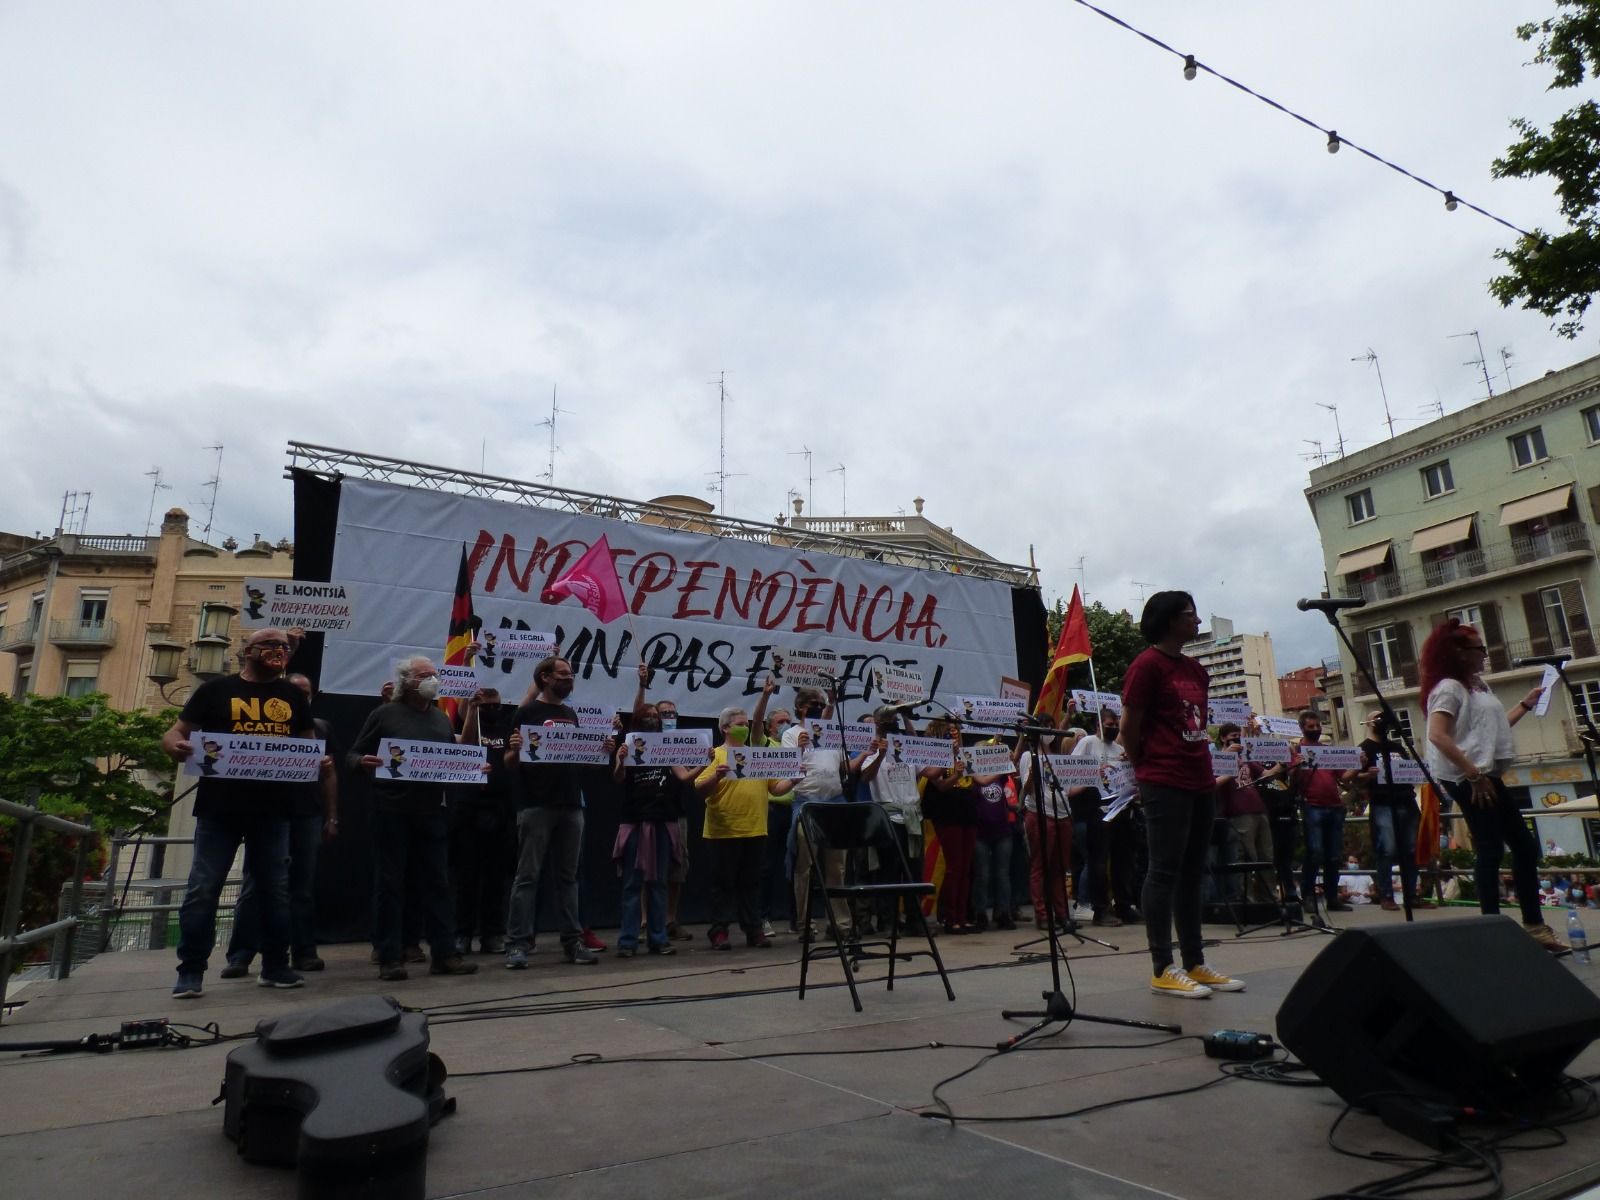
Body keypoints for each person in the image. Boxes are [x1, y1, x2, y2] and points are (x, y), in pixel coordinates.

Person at [163, 629, 324, 997]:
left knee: (275, 891)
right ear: (248, 650)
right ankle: (190, 971)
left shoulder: (292, 696)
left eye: (284, 647)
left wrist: (315, 762)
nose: (279, 651)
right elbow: (175, 732)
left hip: (273, 810)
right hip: (219, 810)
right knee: (203, 889)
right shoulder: (214, 690)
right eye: (270, 645)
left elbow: (307, 746)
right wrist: (176, 747)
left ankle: (275, 966)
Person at [1121, 591, 1243, 999]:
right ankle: (1162, 965)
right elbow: (1129, 729)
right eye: (1189, 614)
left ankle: (1195, 960)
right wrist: (1145, 771)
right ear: (1168, 620)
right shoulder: (1146, 666)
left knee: (1194, 871)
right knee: (1164, 870)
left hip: (1199, 777)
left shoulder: (1196, 670)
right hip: (1163, 778)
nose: (1196, 620)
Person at [1420, 618, 1563, 952]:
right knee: (1494, 847)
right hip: (1469, 777)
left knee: (1517, 847)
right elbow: (1437, 735)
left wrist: (1525, 705)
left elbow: (1489, 730)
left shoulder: (1476, 685)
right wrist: (1473, 775)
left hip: (1484, 774)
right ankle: (1501, 929)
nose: (1485, 653)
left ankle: (1525, 926)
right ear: (1459, 652)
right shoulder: (1450, 688)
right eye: (1479, 648)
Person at [349, 655, 479, 981]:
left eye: (435, 675)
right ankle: (391, 956)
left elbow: (452, 758)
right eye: (425, 675)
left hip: (432, 811)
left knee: (438, 883)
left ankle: (444, 954)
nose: (432, 680)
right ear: (407, 682)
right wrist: (360, 763)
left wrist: (473, 768)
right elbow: (352, 753)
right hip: (390, 811)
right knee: (390, 883)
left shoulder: (440, 719)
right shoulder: (385, 714)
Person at [224, 671, 339, 977]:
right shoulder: (265, 728)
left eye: (307, 692)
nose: (302, 696)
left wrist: (332, 815)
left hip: (306, 813)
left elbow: (330, 776)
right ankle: (241, 954)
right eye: (295, 691)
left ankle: (303, 951)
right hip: (268, 813)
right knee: (254, 885)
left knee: (302, 887)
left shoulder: (321, 728)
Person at [505, 656, 614, 967]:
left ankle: (572, 942)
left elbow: (575, 760)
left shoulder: (569, 713)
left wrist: (599, 752)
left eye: (571, 675)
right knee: (527, 877)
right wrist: (514, 748)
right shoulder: (526, 713)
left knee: (568, 879)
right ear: (546, 677)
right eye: (563, 674)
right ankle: (518, 944)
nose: (569, 680)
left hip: (570, 804)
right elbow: (510, 762)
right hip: (536, 804)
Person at [694, 706, 795, 948]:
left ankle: (753, 930)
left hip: (755, 828)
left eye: (746, 723)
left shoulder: (756, 756)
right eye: (739, 724)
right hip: (724, 829)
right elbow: (699, 788)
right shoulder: (716, 754)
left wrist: (793, 780)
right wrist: (716, 777)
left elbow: (775, 789)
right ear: (725, 728)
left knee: (751, 884)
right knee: (723, 884)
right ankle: (719, 931)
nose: (745, 727)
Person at [612, 699, 692, 956]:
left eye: (655, 715)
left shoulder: (668, 746)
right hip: (635, 821)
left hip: (664, 820)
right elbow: (618, 778)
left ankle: (658, 939)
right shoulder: (629, 744)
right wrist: (620, 761)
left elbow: (684, 777)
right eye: (647, 716)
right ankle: (627, 941)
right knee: (632, 884)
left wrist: (706, 762)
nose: (652, 719)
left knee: (659, 883)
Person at [782, 686, 858, 937]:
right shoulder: (791, 734)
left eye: (820, 703)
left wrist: (870, 753)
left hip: (834, 802)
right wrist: (801, 748)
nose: (817, 707)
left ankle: (840, 924)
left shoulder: (833, 735)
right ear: (800, 708)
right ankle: (804, 924)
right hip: (807, 802)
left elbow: (848, 767)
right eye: (812, 703)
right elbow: (787, 770)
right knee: (805, 865)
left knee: (837, 867)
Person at [858, 705, 934, 933]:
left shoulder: (907, 747)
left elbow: (930, 772)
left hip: (911, 816)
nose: (893, 723)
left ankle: (914, 920)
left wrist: (951, 755)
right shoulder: (870, 749)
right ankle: (887, 920)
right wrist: (880, 755)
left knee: (913, 871)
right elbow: (865, 776)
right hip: (888, 816)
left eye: (895, 719)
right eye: (888, 720)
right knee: (888, 872)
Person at [453, 687, 517, 953]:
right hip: (469, 808)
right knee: (466, 877)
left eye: (496, 705)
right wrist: (472, 712)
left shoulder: (506, 730)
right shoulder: (465, 730)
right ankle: (462, 934)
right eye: (485, 706)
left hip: (500, 808)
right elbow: (466, 747)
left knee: (496, 877)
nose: (492, 710)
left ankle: (492, 934)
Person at [1354, 710, 1433, 913]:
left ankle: (1411, 895)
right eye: (1378, 719)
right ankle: (1386, 895)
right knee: (1387, 850)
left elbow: (1409, 769)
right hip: (1382, 804)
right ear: (1369, 723)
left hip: (1406, 801)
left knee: (1410, 850)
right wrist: (1366, 775)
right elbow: (1353, 780)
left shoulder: (1397, 747)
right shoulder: (1364, 749)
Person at [1070, 709, 1137, 926]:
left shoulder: (1119, 749)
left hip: (1121, 807)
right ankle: (1101, 908)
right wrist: (1095, 772)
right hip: (1097, 808)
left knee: (1122, 860)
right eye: (1109, 724)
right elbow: (1073, 769)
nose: (1114, 727)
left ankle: (1124, 905)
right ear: (1099, 724)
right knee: (1098, 860)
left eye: (1116, 724)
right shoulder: (1089, 743)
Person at [1016, 715, 1074, 931]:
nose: (1050, 731)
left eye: (1052, 727)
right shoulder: (1028, 757)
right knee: (1041, 866)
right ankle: (1042, 914)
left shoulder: (1058, 757)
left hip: (1063, 815)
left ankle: (1062, 914)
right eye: (1045, 727)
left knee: (1060, 867)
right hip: (1040, 815)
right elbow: (1028, 788)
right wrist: (1032, 774)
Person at [922, 719, 979, 934]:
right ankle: (949, 916)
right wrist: (956, 772)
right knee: (954, 867)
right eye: (949, 733)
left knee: (966, 868)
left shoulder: (964, 755)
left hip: (968, 814)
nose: (954, 735)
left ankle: (963, 916)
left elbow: (978, 781)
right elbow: (941, 785)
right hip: (947, 815)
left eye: (956, 732)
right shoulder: (933, 757)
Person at [1291, 709, 1347, 922]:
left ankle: (1332, 897)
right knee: (1314, 852)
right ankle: (1308, 895)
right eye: (1311, 727)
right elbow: (1292, 780)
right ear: (1303, 728)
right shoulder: (1297, 750)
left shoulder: (1328, 751)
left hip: (1334, 805)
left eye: (1317, 726)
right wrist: (1296, 765)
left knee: (1334, 855)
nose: (1315, 729)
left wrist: (1358, 765)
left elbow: (1344, 776)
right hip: (1312, 805)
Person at [1214, 723, 1272, 904]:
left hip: (1259, 810)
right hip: (1238, 812)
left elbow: (1266, 775)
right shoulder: (1216, 757)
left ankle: (1268, 899)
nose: (1237, 739)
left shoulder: (1247, 757)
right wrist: (1228, 755)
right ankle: (1245, 900)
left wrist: (1283, 763)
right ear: (1223, 738)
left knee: (1266, 856)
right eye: (1233, 735)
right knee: (1246, 857)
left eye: (1239, 735)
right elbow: (1212, 782)